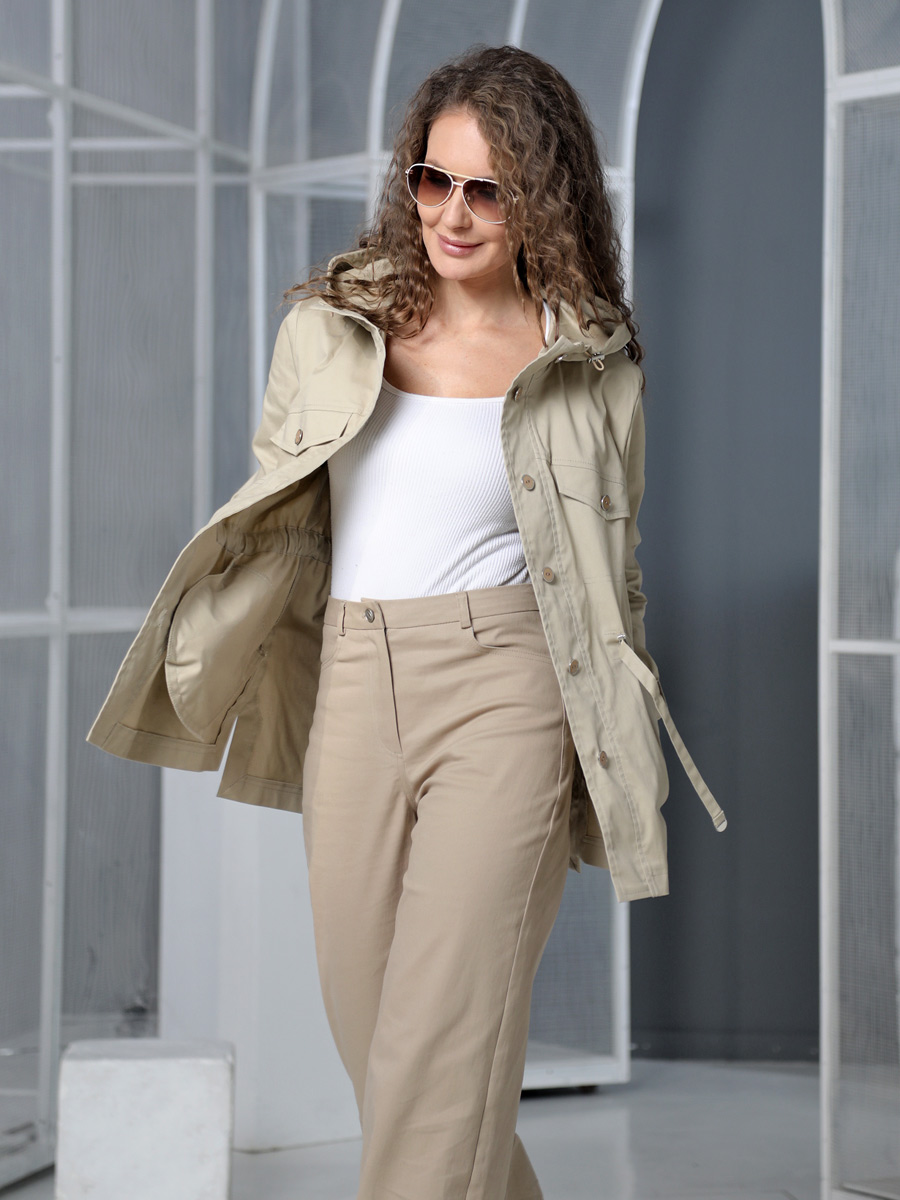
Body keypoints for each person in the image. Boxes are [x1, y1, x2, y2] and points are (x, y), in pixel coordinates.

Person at [88, 42, 726, 1200]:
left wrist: (615, 725)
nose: (453, 214)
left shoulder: (588, 357)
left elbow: (611, 569)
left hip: (509, 686)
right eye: (434, 180)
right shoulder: (333, 325)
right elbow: (281, 515)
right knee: (386, 1042)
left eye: (488, 189)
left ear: (542, 196)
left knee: (442, 1049)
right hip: (351, 680)